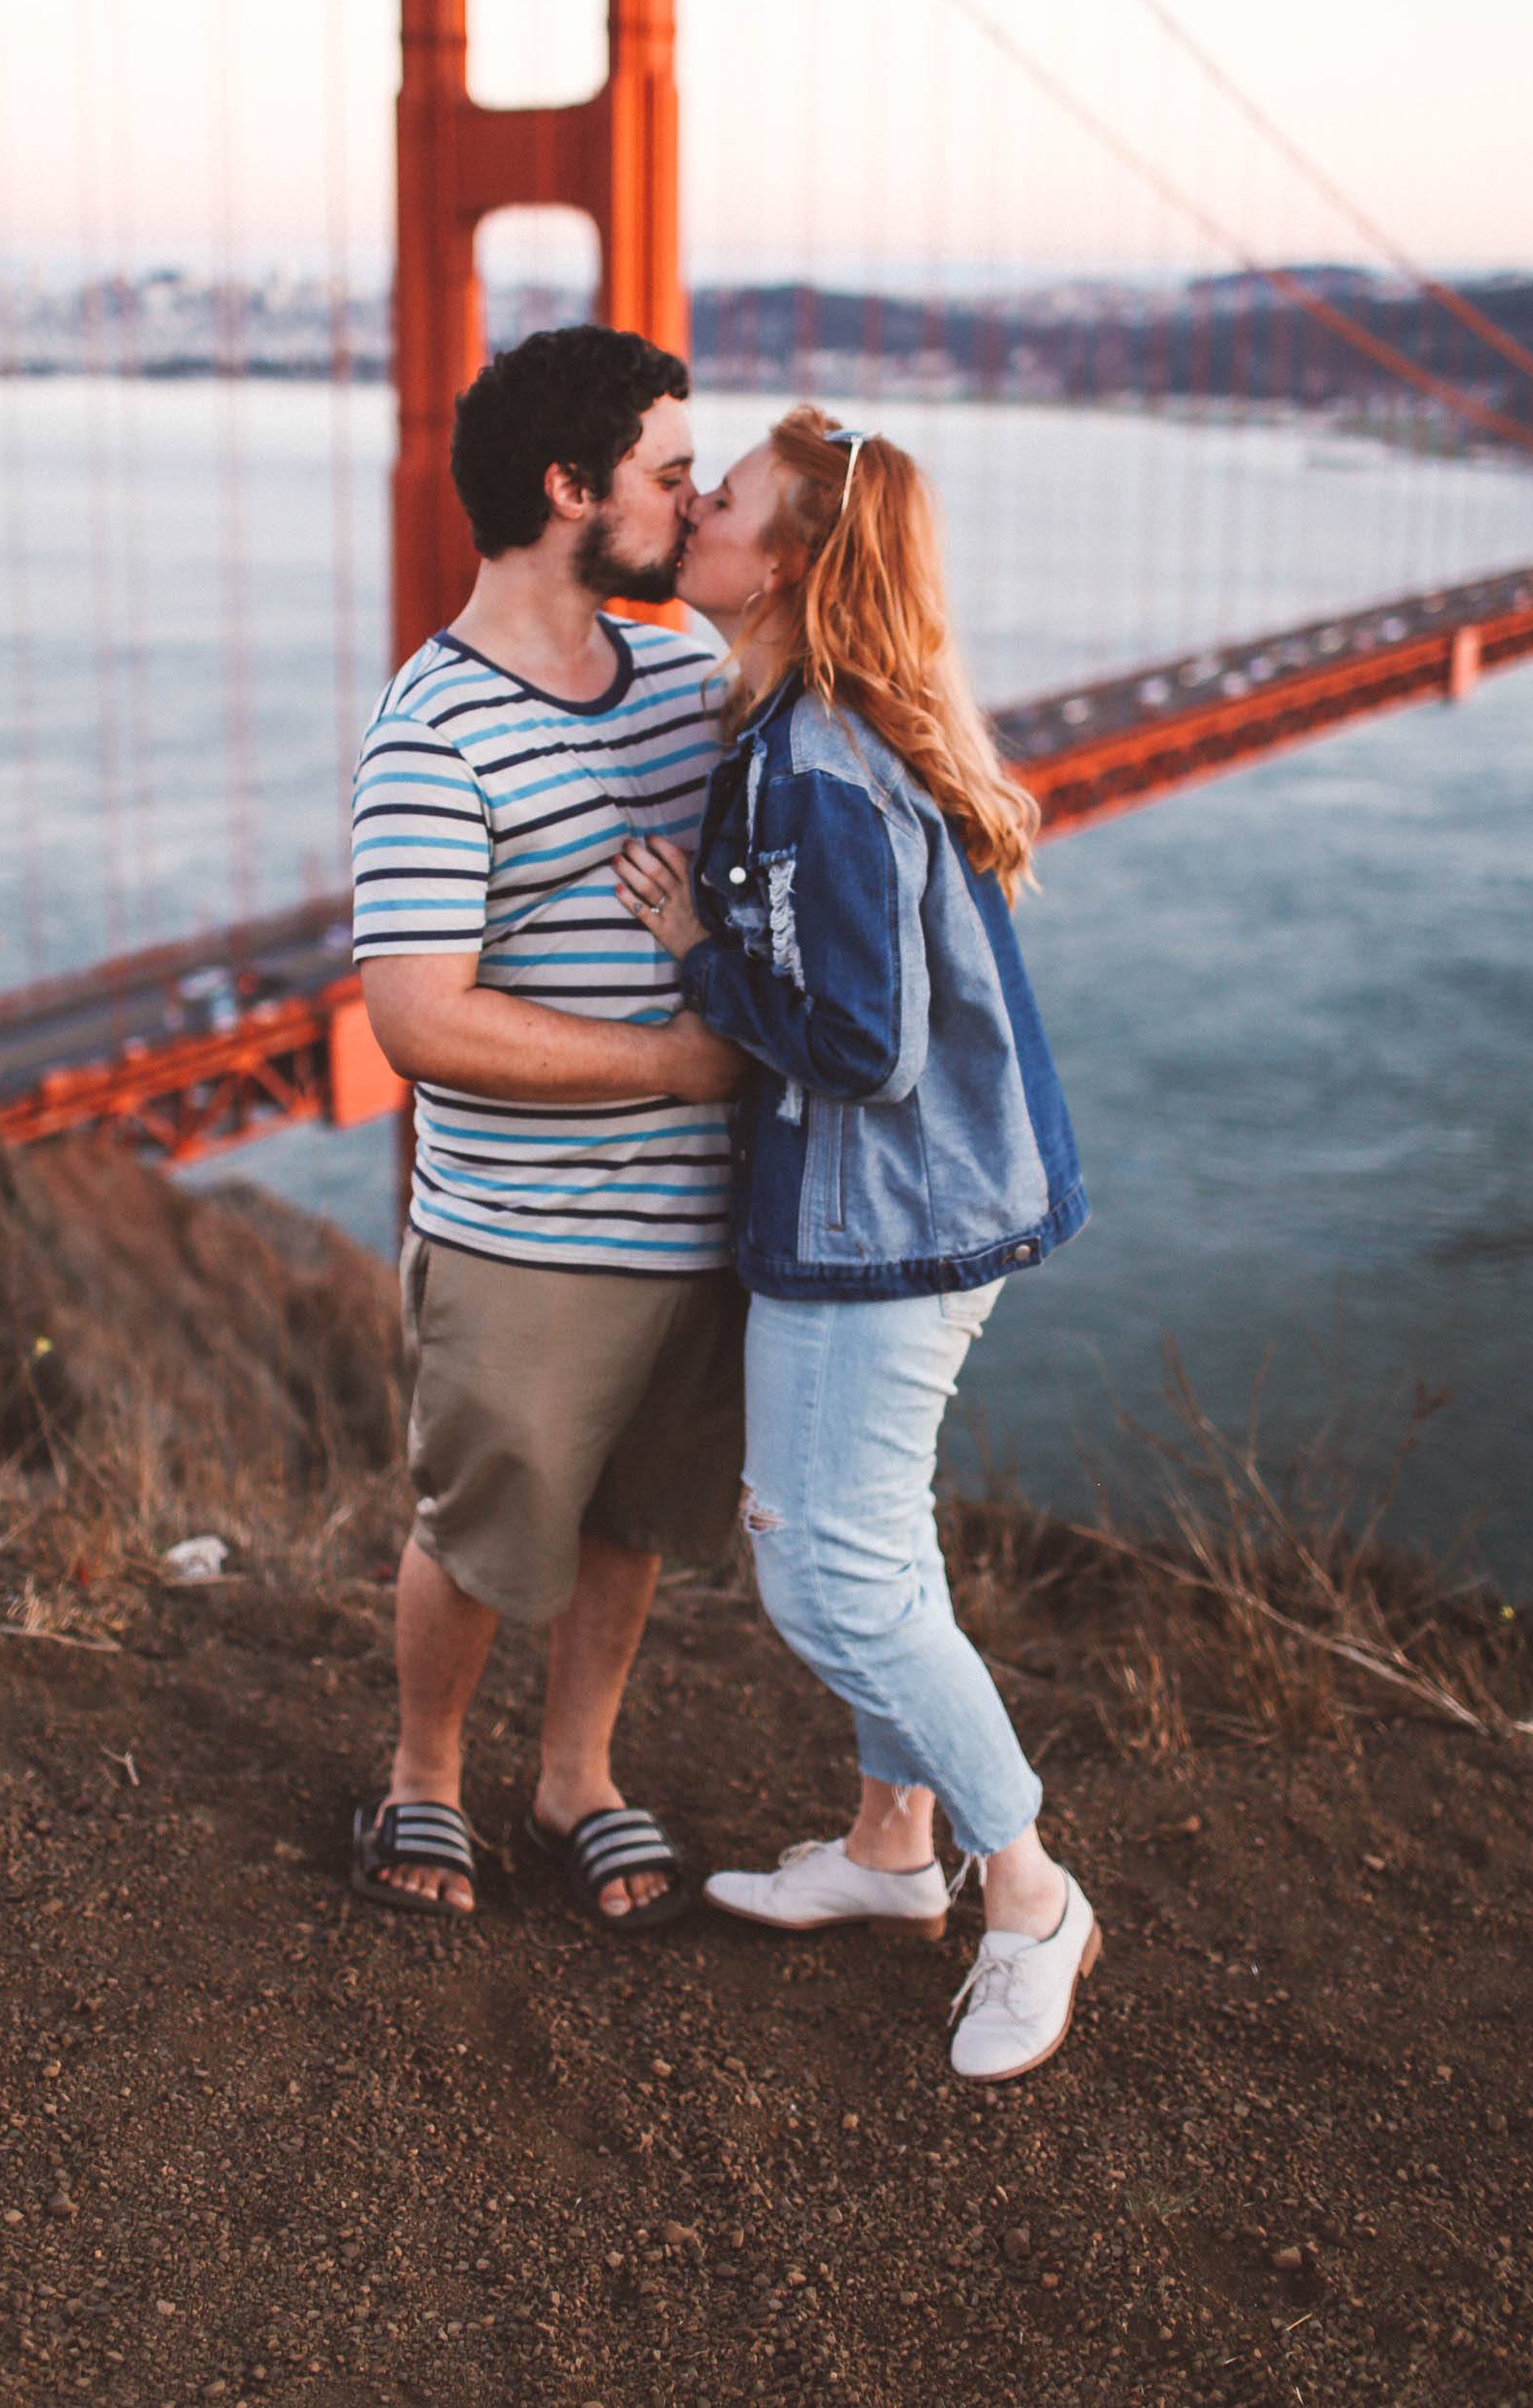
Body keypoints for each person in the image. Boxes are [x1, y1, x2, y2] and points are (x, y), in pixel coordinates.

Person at [612, 406, 1099, 2080]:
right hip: (903, 1214)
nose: (691, 514)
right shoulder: (802, 724)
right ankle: (897, 1848)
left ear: (793, 561)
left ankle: (1029, 1896)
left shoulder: (819, 762)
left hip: (881, 1226)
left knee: (827, 1571)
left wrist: (695, 955)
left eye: (722, 499)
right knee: (878, 1545)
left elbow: (864, 1044)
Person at [348, 324, 747, 1931]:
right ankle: (424, 1777)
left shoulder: (689, 675)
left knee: (631, 1522)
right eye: (667, 474)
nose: (696, 499)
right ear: (569, 488)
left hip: (699, 1229)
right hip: (524, 1239)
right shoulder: (431, 732)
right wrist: (673, 1066)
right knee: (480, 1526)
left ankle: (576, 1773)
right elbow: (417, 1018)